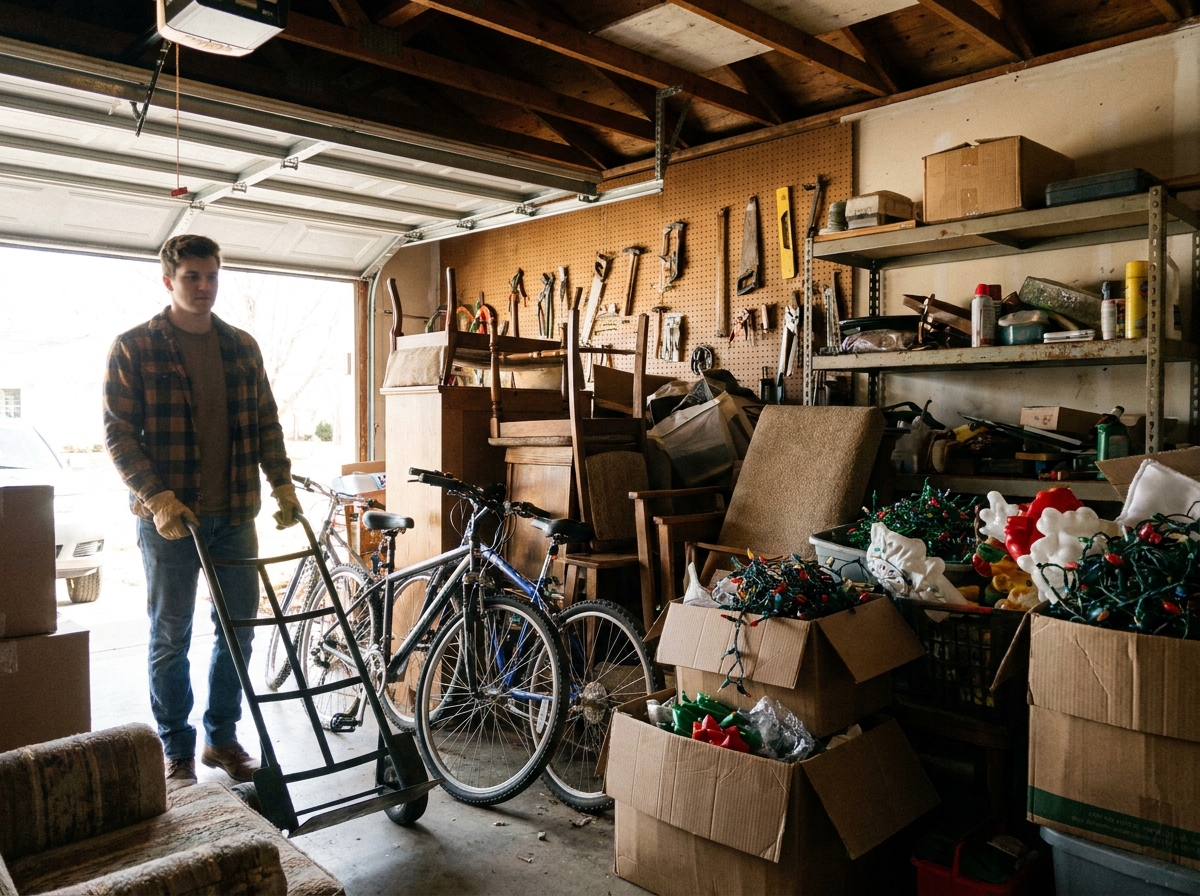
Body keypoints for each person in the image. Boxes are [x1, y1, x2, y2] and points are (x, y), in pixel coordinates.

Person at [103, 235, 303, 791]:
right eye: (192, 276)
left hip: (235, 513)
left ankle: (221, 735)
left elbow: (267, 421)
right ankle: (177, 750)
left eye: (211, 275)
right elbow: (118, 434)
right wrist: (156, 496)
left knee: (238, 630)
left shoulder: (241, 347)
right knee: (171, 632)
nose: (204, 286)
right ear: (169, 281)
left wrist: (281, 482)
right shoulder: (135, 347)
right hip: (170, 520)